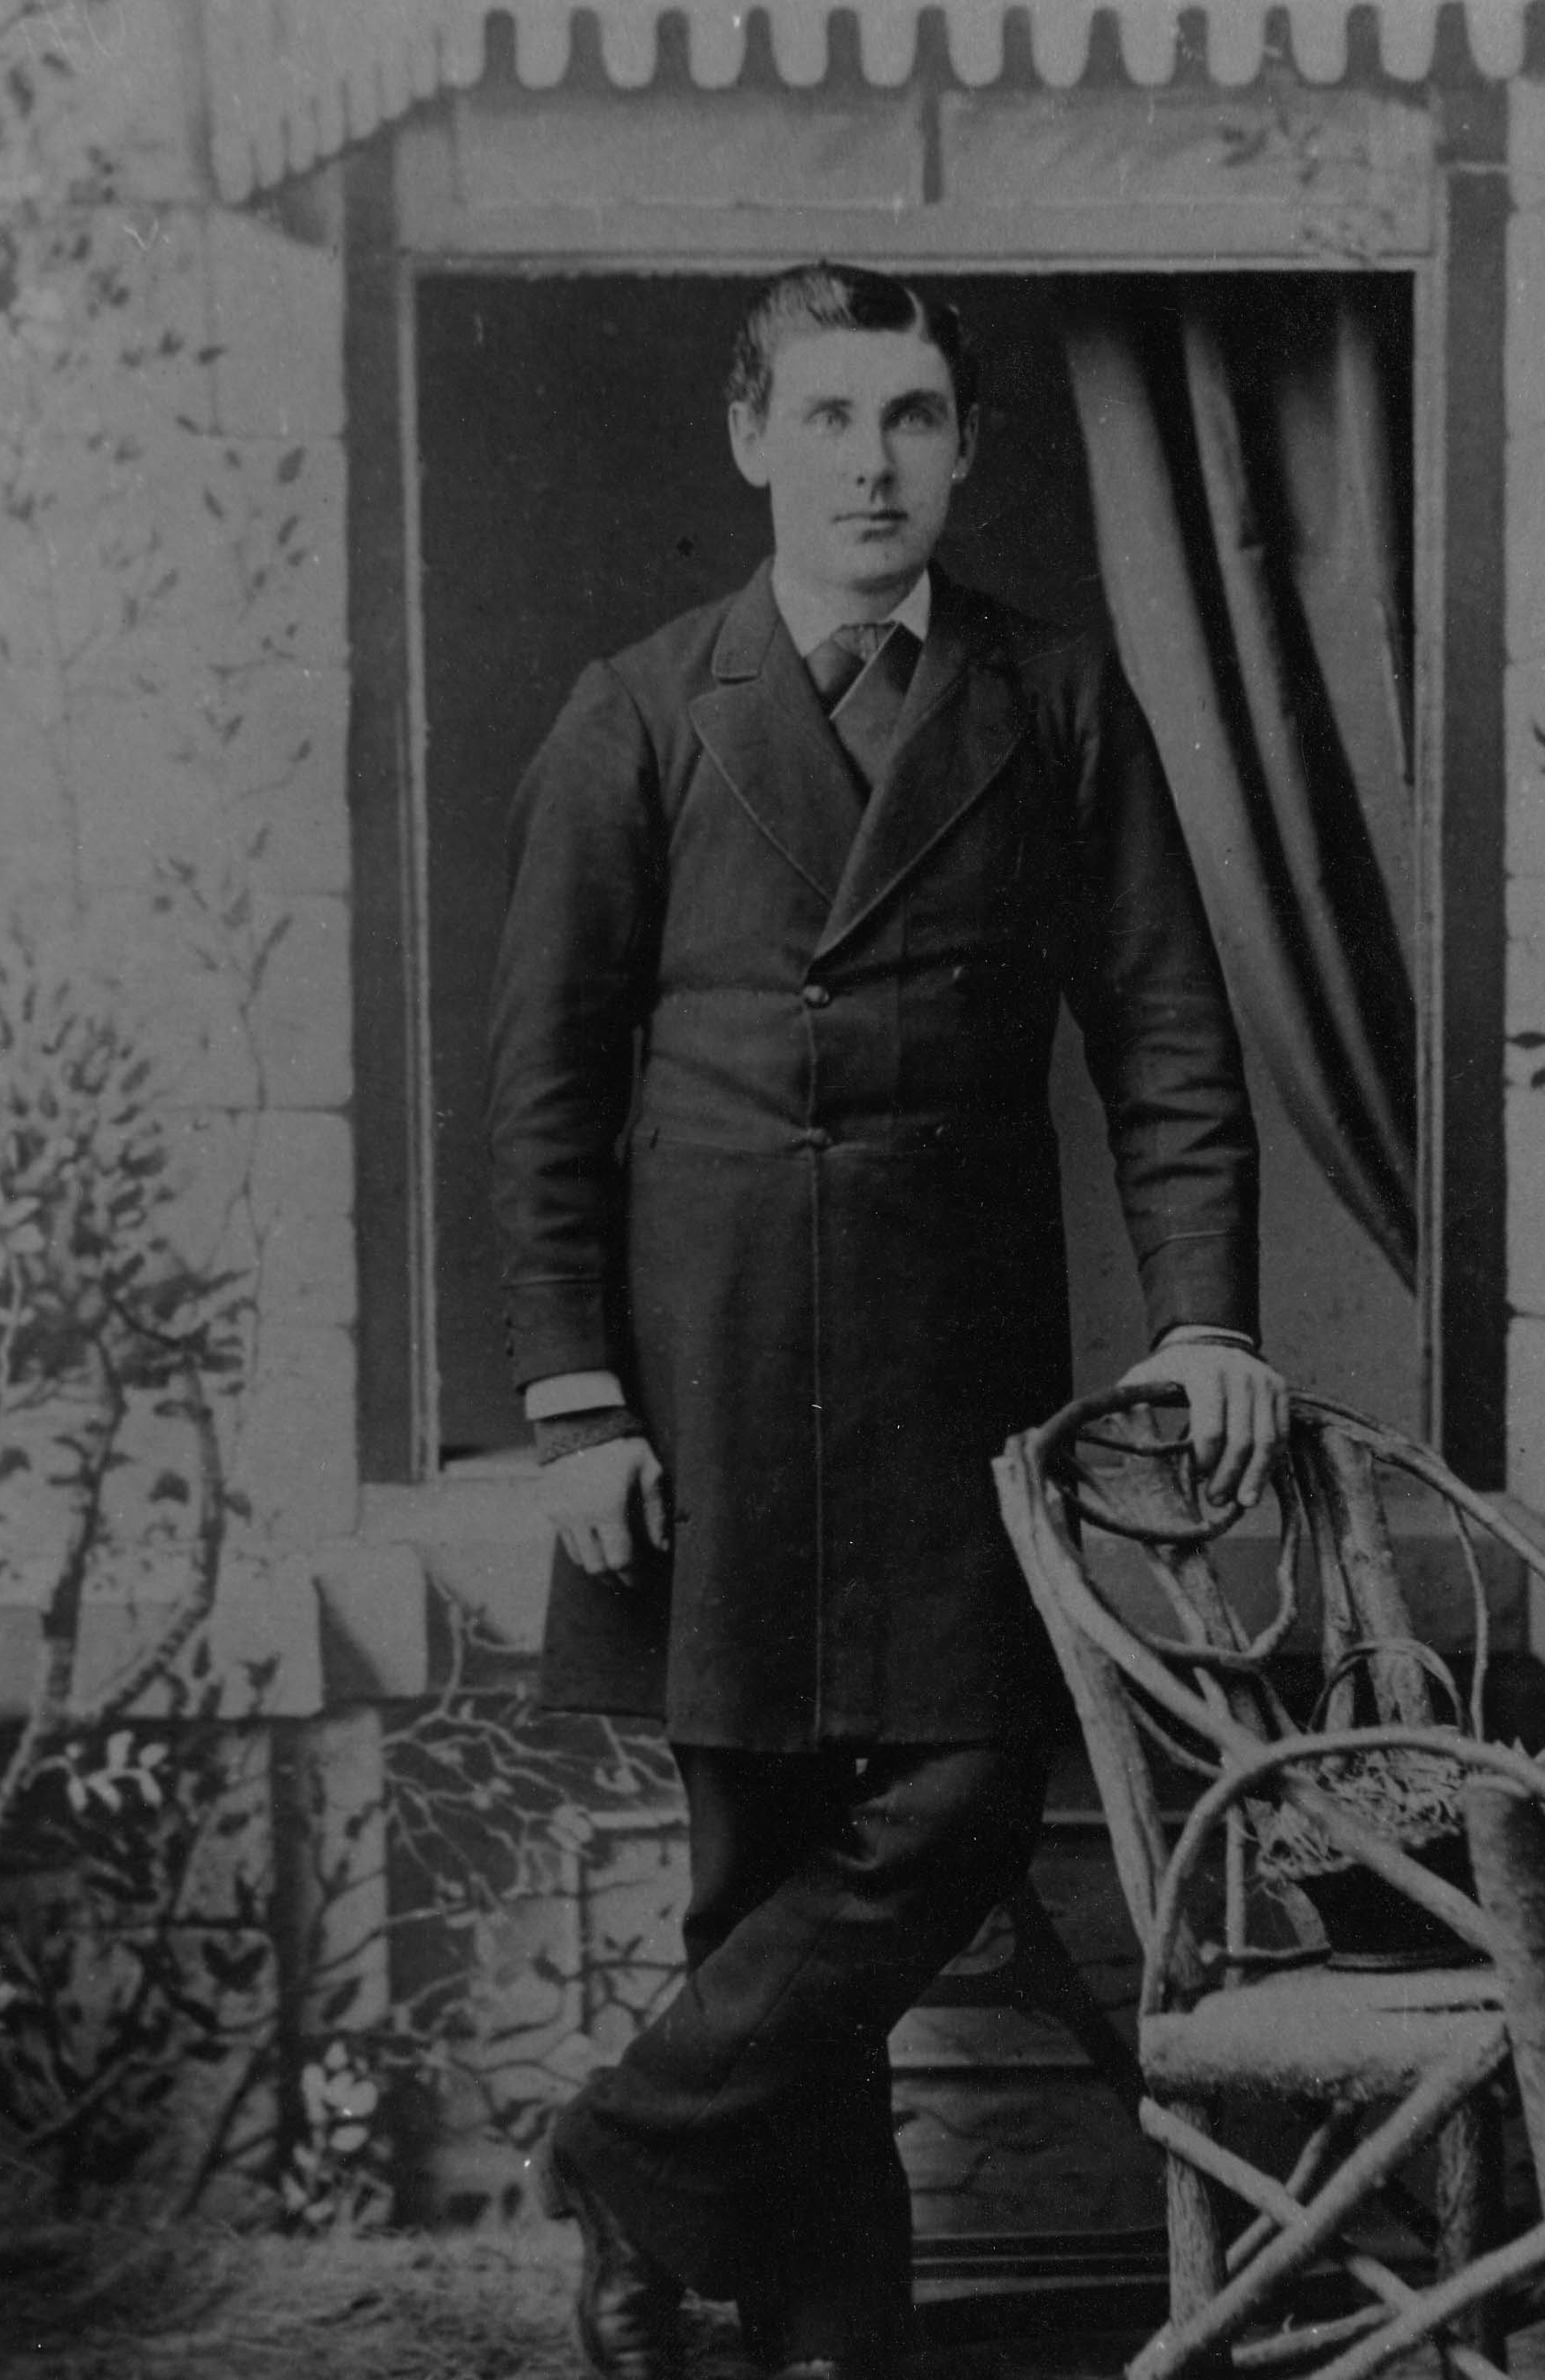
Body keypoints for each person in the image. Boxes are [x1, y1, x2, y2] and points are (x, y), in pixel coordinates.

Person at [487, 262, 1289, 2380]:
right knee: (755, 1866)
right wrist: (575, 1401)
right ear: (754, 437)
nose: (873, 462)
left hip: (956, 1369)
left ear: (964, 449)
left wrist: (1208, 1322)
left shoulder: (1055, 697)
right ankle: (828, 2330)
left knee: (959, 1796)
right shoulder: (641, 709)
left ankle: (626, 2151)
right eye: (832, 416)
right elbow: (546, 1083)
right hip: (713, 1368)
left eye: (913, 417)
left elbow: (1169, 1036)